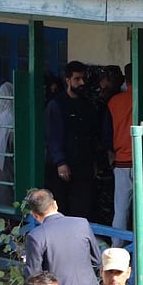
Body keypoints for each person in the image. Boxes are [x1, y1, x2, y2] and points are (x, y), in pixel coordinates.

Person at [24, 189, 100, 285]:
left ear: (34, 215)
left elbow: (32, 278)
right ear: (56, 204)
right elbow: (96, 259)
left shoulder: (36, 236)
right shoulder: (82, 224)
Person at [107, 63, 143, 259]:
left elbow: (107, 131)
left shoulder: (114, 101)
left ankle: (116, 250)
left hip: (121, 162)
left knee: (120, 210)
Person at [45, 61, 104, 218]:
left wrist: (94, 162)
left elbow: (92, 135)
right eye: (77, 79)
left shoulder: (87, 106)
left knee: (82, 208)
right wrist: (61, 162)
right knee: (60, 207)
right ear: (67, 80)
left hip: (83, 164)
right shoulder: (57, 105)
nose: (82, 83)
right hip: (63, 167)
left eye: (83, 79)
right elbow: (53, 136)